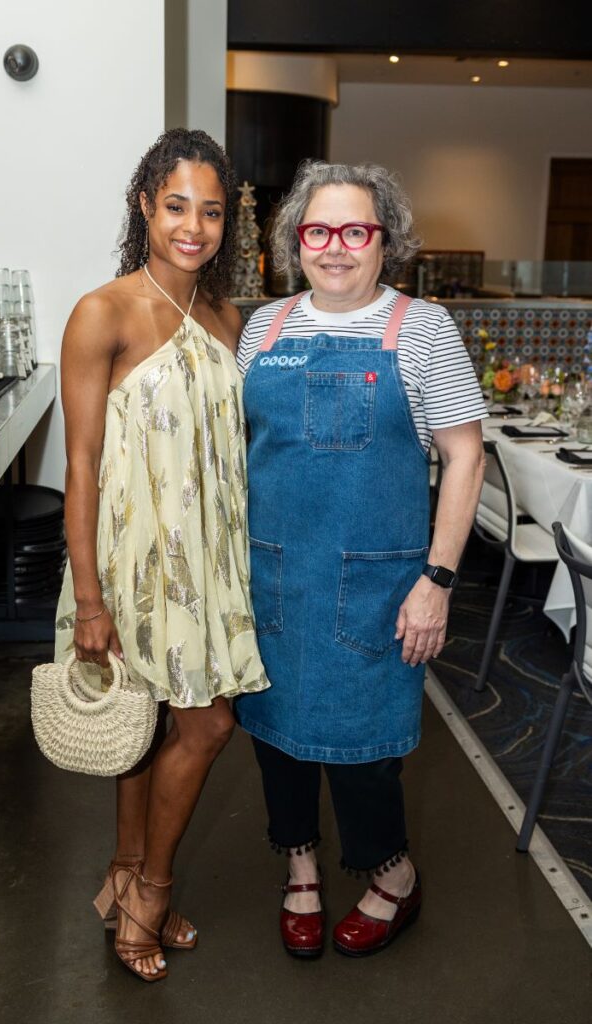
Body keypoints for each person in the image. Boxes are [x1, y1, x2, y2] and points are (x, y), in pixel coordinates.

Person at [235, 160, 486, 958]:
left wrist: (436, 582)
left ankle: (392, 877)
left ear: (385, 242)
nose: (335, 248)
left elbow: (465, 457)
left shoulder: (422, 327)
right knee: (274, 737)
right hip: (271, 575)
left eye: (355, 231)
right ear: (293, 242)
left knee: (364, 753)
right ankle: (300, 869)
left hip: (376, 589)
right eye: (317, 231)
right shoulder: (262, 329)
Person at [54, 128, 269, 983]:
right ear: (144, 205)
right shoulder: (102, 312)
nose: (194, 226)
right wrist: (90, 598)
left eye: (210, 211)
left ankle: (125, 879)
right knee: (200, 724)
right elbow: (77, 467)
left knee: (163, 729)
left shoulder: (224, 317)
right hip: (125, 566)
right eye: (176, 205)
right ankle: (151, 890)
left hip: (205, 566)